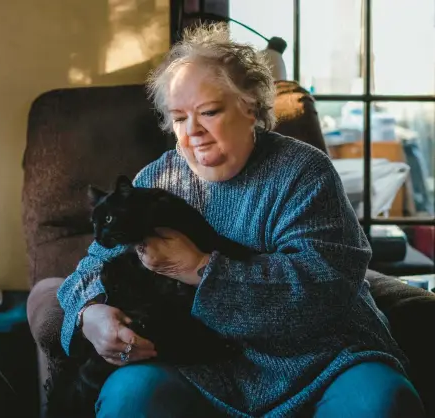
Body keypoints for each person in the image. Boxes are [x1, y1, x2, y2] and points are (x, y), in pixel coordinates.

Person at [57, 23, 425, 417]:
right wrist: (89, 313)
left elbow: (324, 285)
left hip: (322, 359)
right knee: (131, 394)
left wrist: (198, 267)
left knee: (380, 400)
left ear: (250, 107)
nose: (193, 133)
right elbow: (91, 266)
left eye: (210, 112)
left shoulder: (304, 172)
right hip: (201, 366)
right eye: (179, 119)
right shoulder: (160, 178)